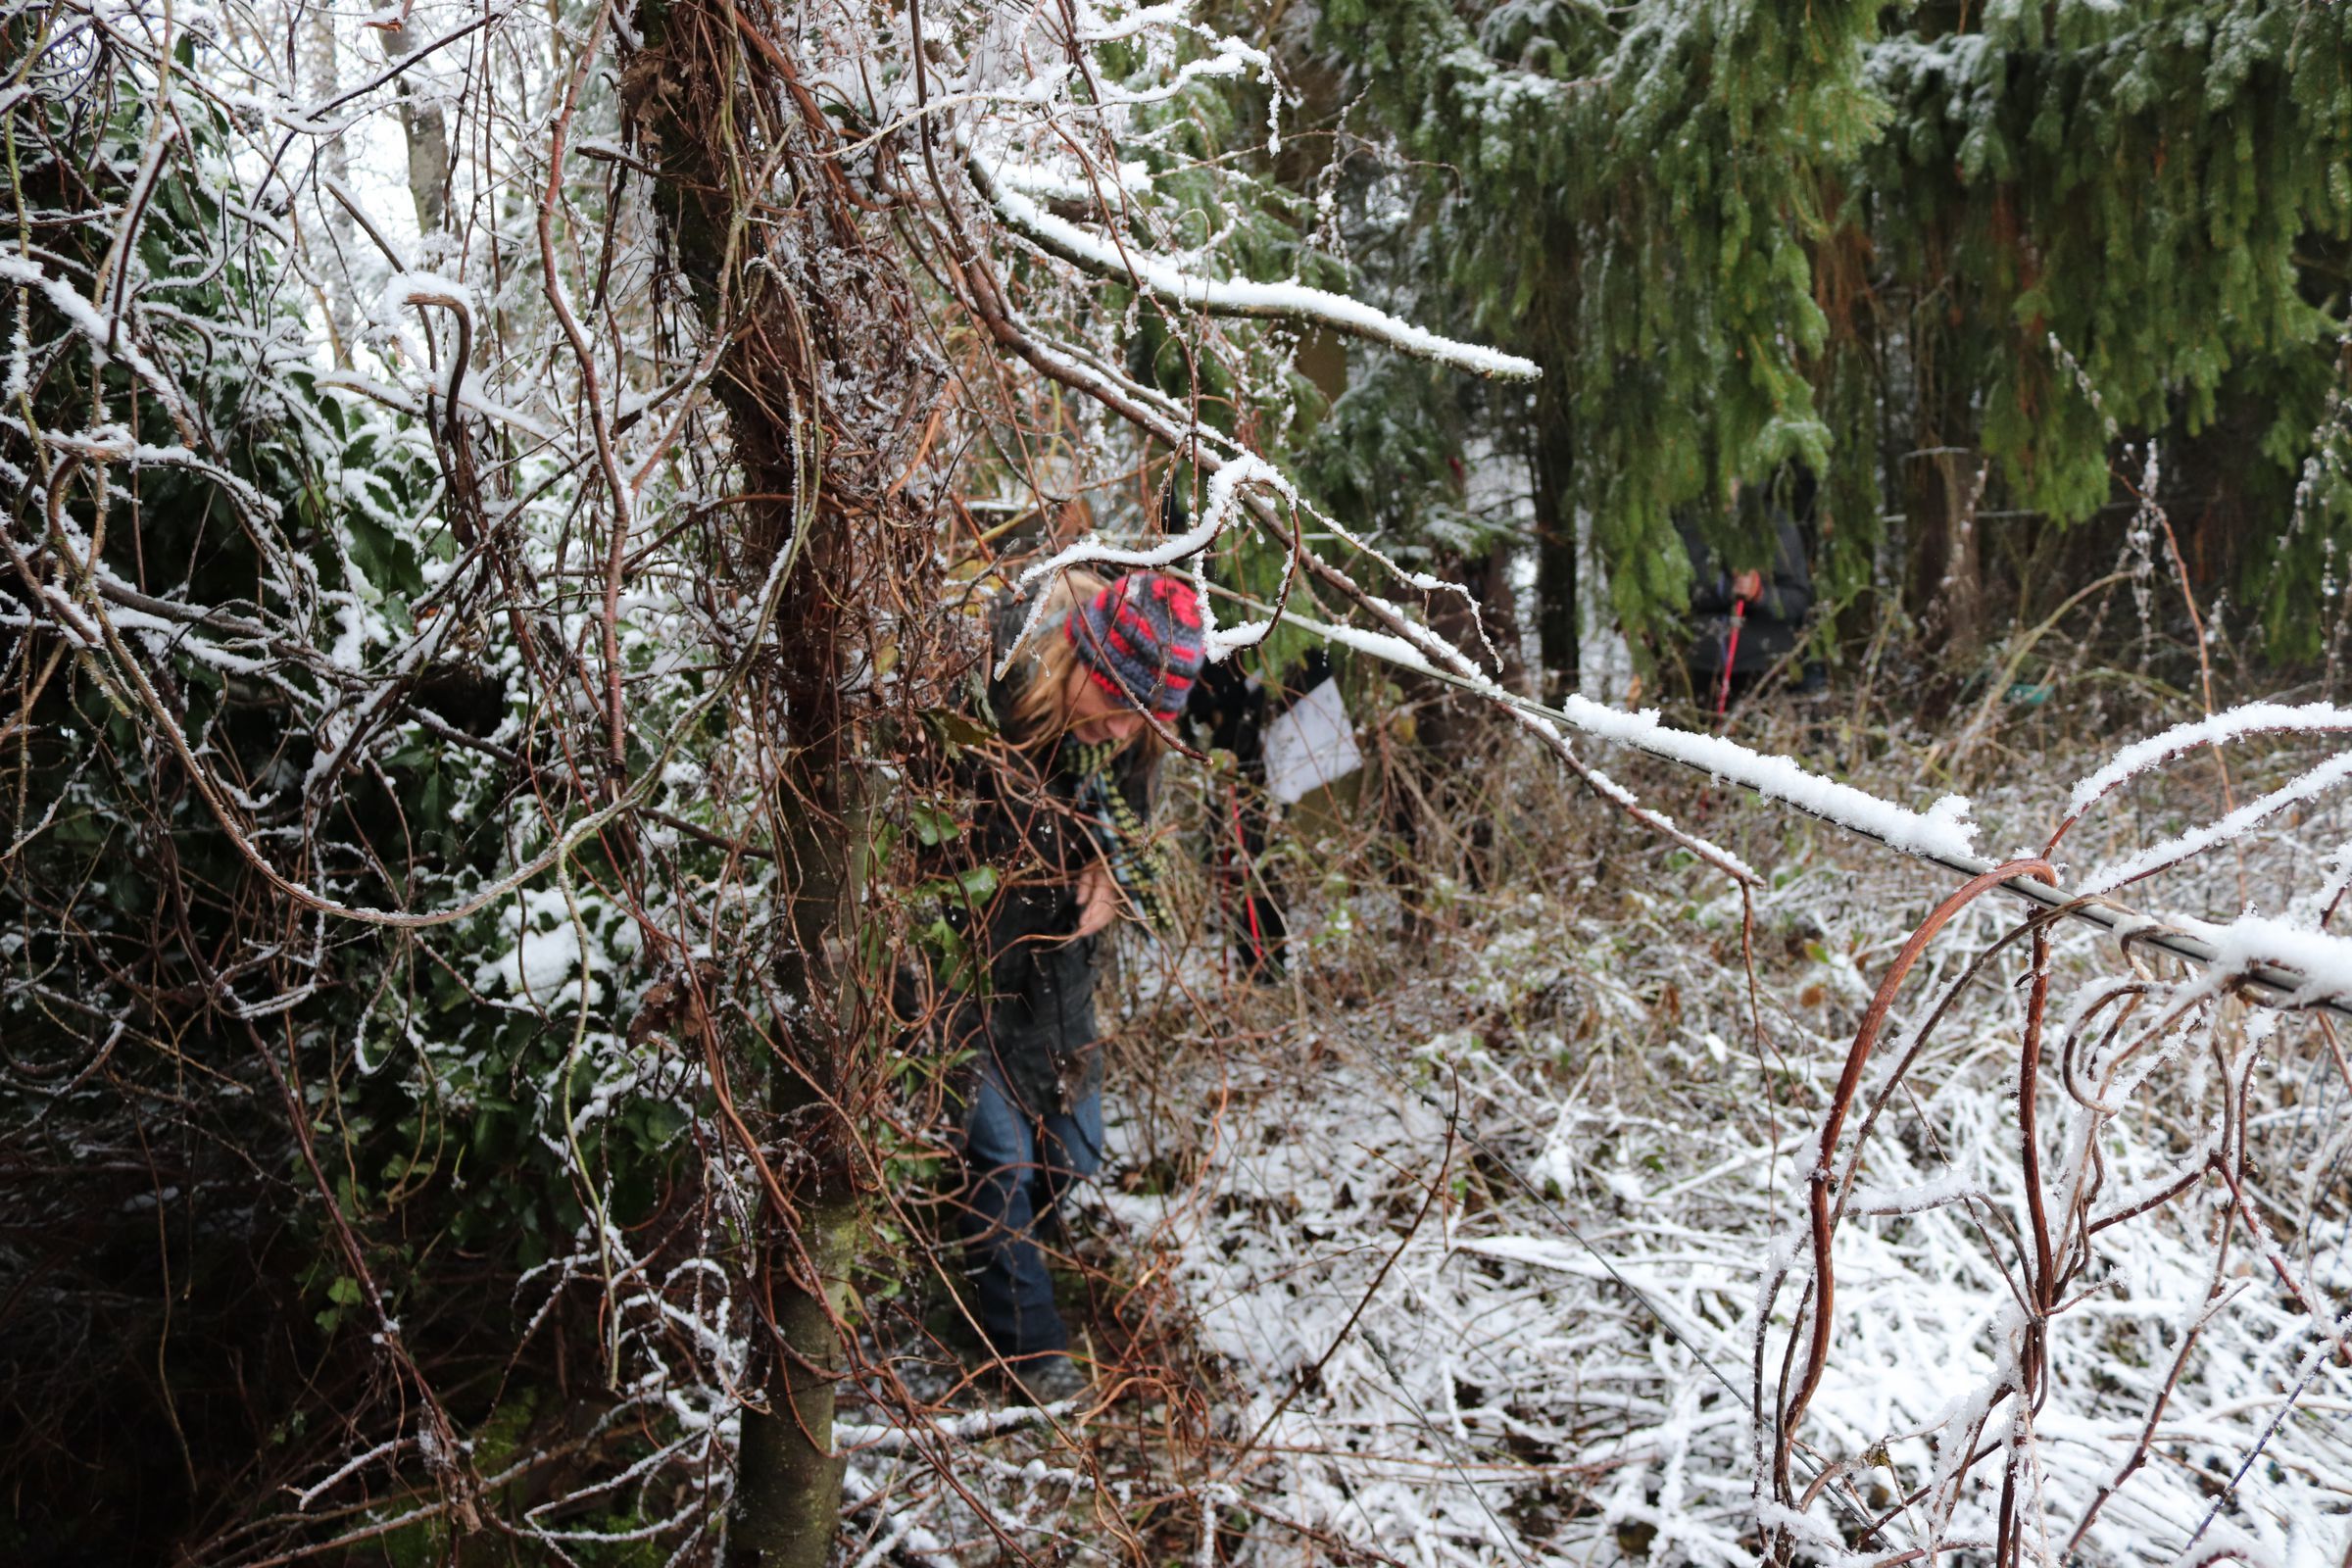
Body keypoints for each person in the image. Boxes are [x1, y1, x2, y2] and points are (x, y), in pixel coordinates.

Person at [948, 567, 1203, 1403]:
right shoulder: (986, 697)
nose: (1129, 732)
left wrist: (1116, 883)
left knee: (1074, 1155)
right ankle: (1032, 1354)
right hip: (962, 973)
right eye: (1121, 707)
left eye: (1147, 721)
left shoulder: (1124, 743)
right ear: (1080, 661)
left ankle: (994, 1250)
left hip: (1057, 981)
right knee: (999, 1158)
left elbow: (1142, 842)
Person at [1676, 488, 1818, 710]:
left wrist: (1760, 594)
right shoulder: (1688, 523)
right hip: (1697, 664)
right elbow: (1672, 595)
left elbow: (1798, 599)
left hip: (1761, 665)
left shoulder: (1774, 525)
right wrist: (1722, 588)